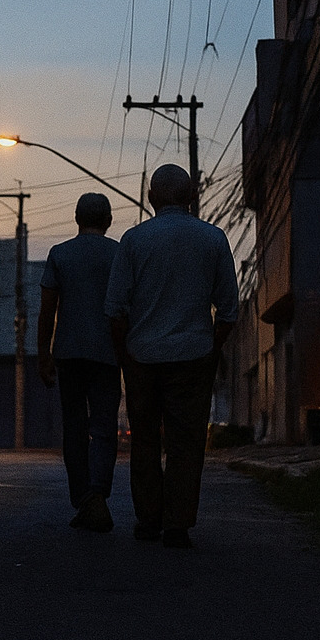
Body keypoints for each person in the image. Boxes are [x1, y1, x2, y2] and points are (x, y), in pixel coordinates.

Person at [104, 164, 238, 549]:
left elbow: (115, 310)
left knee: (145, 440)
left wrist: (125, 356)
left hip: (143, 357)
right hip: (194, 355)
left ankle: (149, 520)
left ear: (150, 198)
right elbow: (229, 310)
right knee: (186, 442)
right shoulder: (213, 238)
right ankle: (177, 524)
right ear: (192, 196)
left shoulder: (133, 241)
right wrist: (211, 349)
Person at [37, 193, 121, 533]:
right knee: (104, 426)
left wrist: (44, 354)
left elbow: (47, 310)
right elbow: (127, 307)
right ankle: (97, 494)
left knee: (74, 426)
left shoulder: (60, 254)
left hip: (69, 353)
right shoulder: (119, 254)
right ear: (109, 220)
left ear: (76, 218)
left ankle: (85, 499)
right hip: (108, 354)